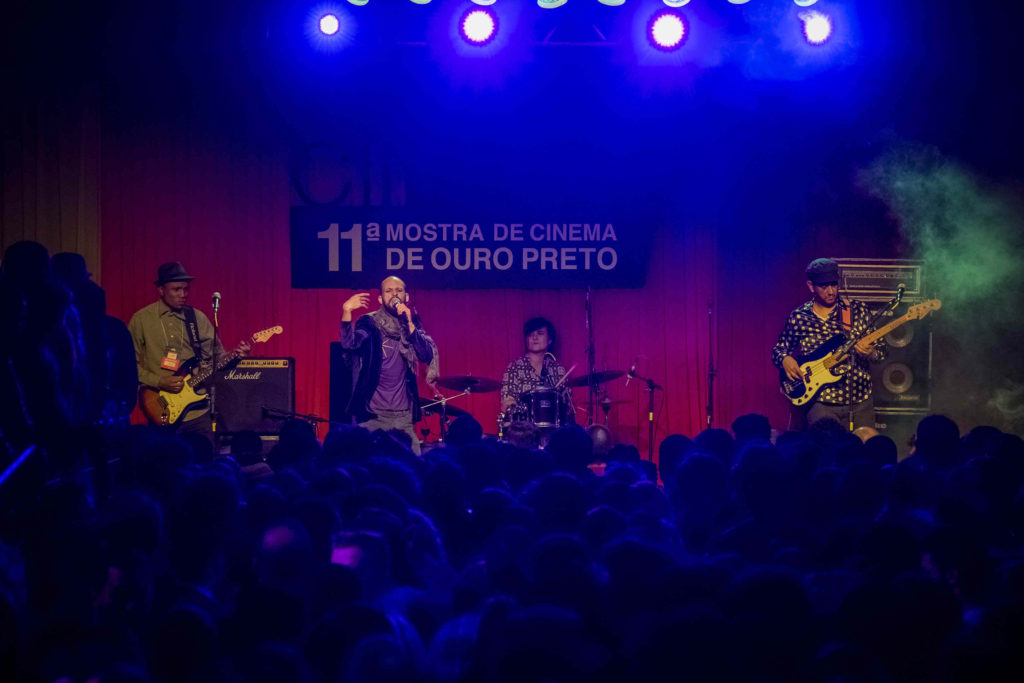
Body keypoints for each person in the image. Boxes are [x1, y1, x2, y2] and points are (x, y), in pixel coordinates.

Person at [128, 262, 250, 443]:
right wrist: (159, 381)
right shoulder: (141, 320)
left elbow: (217, 359)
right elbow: (128, 366)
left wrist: (235, 357)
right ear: (161, 290)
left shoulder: (197, 318)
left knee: (204, 461)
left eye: (186, 289)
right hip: (161, 407)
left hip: (197, 411)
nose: (183, 295)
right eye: (176, 289)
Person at [772, 258, 886, 430]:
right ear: (811, 286)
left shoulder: (858, 311)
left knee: (863, 453)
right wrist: (785, 359)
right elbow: (779, 349)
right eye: (824, 286)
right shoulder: (800, 317)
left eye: (834, 285)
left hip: (859, 401)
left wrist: (871, 353)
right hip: (820, 402)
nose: (831, 291)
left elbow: (882, 352)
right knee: (826, 452)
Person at [340, 276, 439, 455]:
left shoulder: (412, 324)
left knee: (414, 466)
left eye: (398, 291)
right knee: (366, 468)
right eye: (388, 291)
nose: (394, 294)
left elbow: (425, 354)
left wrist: (409, 324)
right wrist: (346, 312)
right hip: (373, 416)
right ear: (380, 299)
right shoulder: (369, 323)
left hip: (403, 417)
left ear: (406, 297)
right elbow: (350, 345)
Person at [500, 317, 573, 425]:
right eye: (530, 334)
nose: (534, 337)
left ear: (550, 340)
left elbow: (566, 405)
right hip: (523, 429)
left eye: (540, 333)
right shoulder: (515, 367)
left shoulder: (558, 369)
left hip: (553, 426)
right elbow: (506, 402)